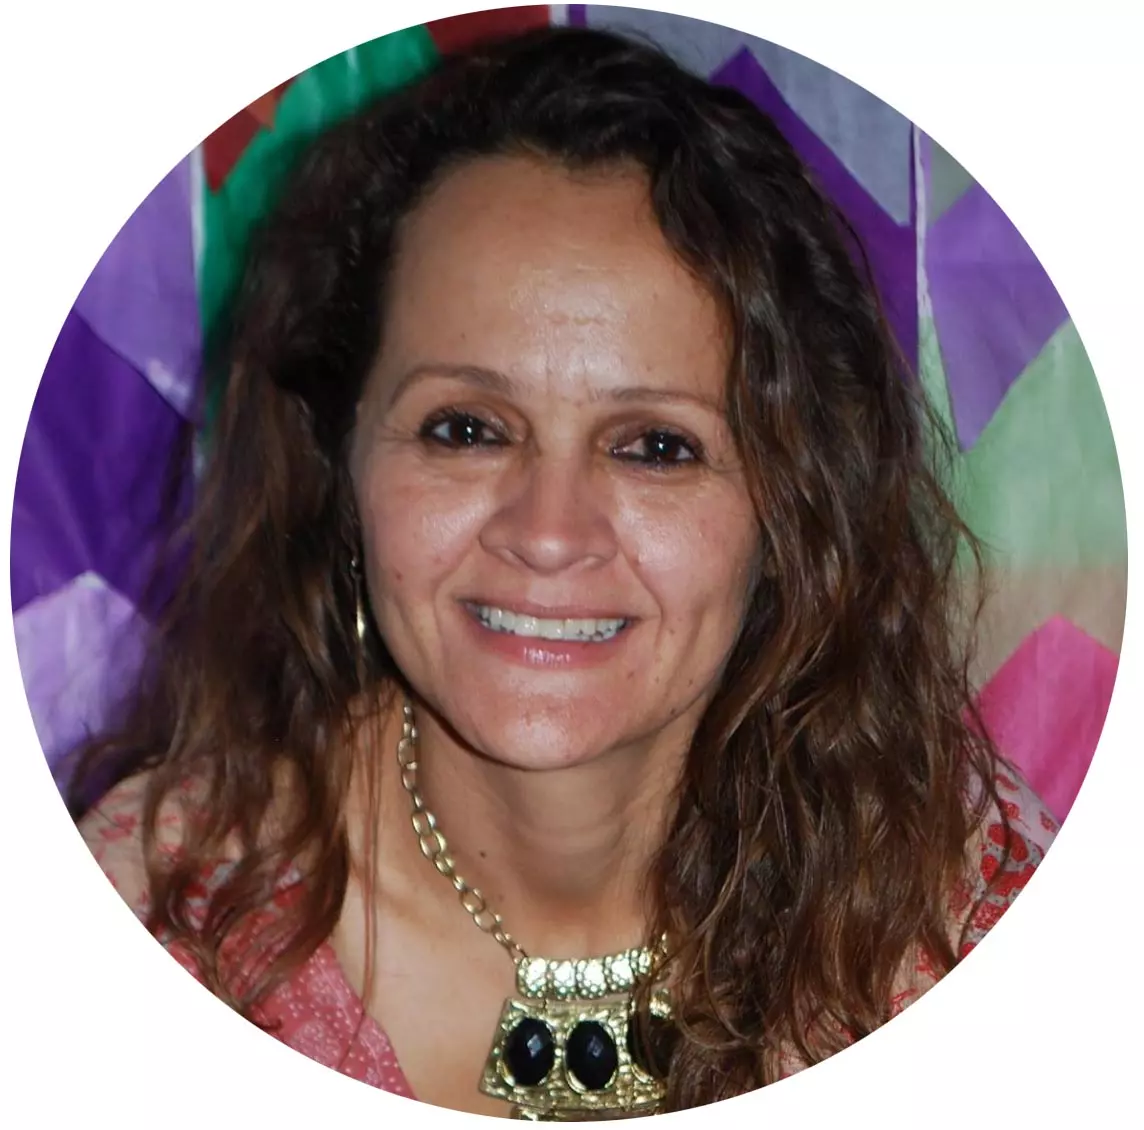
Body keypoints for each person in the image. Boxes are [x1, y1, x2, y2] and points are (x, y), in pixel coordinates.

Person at [73, 25, 1058, 1119]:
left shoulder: (966, 907)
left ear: (791, 503)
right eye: (464, 428)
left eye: (656, 446)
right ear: (342, 463)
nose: (547, 534)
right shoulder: (157, 919)